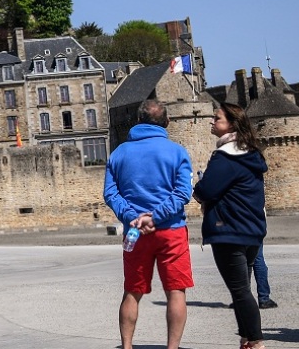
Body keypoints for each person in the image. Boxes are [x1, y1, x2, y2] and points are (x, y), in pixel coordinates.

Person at [104, 99, 194, 349]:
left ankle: (127, 346)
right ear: (166, 122)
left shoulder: (119, 153)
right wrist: (155, 217)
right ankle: (172, 348)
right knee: (176, 291)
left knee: (132, 290)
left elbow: (111, 194)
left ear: (138, 121)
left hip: (134, 231)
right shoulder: (177, 152)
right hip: (171, 231)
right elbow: (183, 193)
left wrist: (133, 216)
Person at [195, 101, 268, 349]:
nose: (212, 122)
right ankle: (246, 338)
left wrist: (198, 191)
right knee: (242, 289)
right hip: (251, 230)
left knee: (239, 290)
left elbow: (207, 189)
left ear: (231, 125)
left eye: (217, 118)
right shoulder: (251, 154)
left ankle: (256, 341)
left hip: (229, 229)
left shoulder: (225, 157)